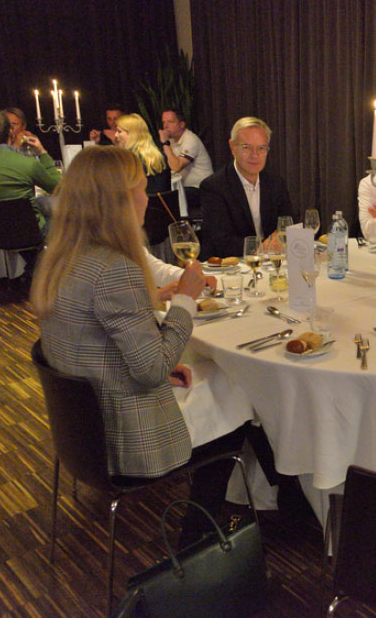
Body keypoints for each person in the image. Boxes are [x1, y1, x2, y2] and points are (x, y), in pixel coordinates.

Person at [30, 145, 244, 545]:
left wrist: (157, 342)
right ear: (117, 201)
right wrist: (185, 299)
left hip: (81, 433)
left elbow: (93, 343)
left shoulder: (61, 257)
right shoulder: (115, 269)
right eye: (141, 190)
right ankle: (198, 539)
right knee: (240, 400)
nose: (148, 199)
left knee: (215, 382)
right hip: (126, 437)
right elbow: (151, 370)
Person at [200, 116, 295, 259]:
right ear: (232, 147)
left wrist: (280, 235)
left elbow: (289, 223)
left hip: (270, 262)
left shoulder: (275, 183)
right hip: (231, 265)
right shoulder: (214, 187)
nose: (255, 155)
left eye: (261, 148)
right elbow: (223, 243)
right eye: (246, 147)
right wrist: (264, 246)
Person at [0, 109, 61, 231]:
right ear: (10, 132)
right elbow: (58, 188)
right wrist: (42, 153)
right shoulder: (27, 163)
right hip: (29, 233)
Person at [158, 108, 213, 213]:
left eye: (170, 122)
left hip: (200, 189)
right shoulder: (171, 141)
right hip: (183, 187)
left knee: (169, 199)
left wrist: (165, 143)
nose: (165, 126)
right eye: (164, 122)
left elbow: (176, 167)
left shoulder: (190, 140)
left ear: (182, 124)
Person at [113, 113, 169, 194]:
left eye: (119, 131)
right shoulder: (159, 155)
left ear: (132, 134)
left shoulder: (130, 160)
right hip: (162, 201)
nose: (116, 135)